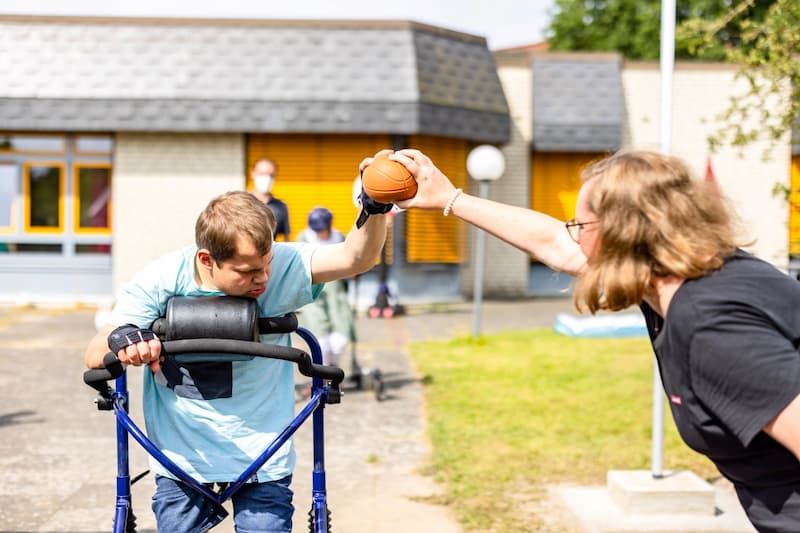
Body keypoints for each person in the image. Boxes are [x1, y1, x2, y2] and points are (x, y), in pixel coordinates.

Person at [389, 148, 800, 533]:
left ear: (623, 235)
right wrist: (450, 198)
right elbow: (555, 244)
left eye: (581, 226)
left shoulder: (711, 324)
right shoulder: (693, 276)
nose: (574, 237)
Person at [84, 151, 395, 533]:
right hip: (184, 457)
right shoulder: (162, 279)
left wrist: (375, 206)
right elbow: (96, 350)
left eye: (267, 263)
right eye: (248, 271)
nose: (263, 277)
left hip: (263, 452)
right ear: (207, 259)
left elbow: (355, 258)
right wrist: (128, 340)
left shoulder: (279, 264)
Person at [296, 207, 355, 367]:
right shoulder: (303, 237)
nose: (319, 233)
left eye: (322, 229)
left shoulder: (339, 237)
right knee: (319, 335)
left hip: (336, 288)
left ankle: (332, 367)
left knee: (341, 334)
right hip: (312, 287)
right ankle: (322, 375)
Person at [250, 157, 291, 241]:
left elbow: (286, 239)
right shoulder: (241, 202)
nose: (267, 178)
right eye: (262, 174)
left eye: (271, 175)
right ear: (253, 174)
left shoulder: (281, 206)